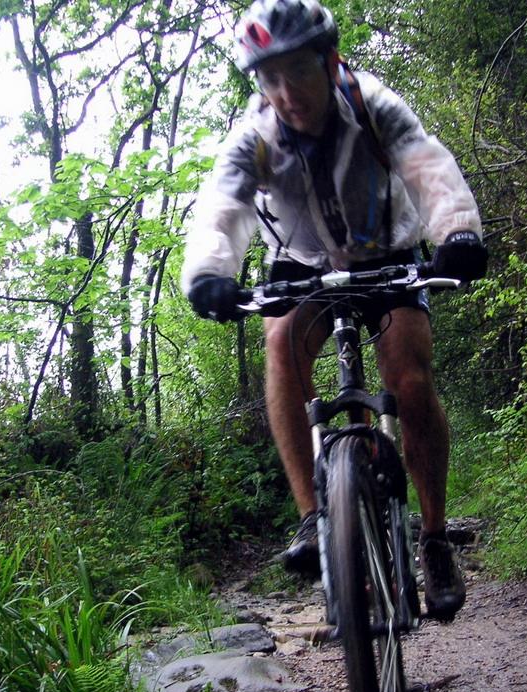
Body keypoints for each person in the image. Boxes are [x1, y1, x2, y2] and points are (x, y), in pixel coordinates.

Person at [180, 0, 487, 620]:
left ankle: (433, 538)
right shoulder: (254, 137)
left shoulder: (373, 105)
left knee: (409, 378)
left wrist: (457, 231)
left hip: (388, 252)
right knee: (279, 346)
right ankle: (314, 519)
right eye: (270, 78)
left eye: (298, 70)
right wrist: (209, 272)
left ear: (329, 61)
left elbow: (427, 165)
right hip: (301, 261)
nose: (286, 92)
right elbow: (222, 207)